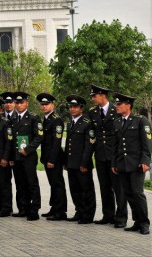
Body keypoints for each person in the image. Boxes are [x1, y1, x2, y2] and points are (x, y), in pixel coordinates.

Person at [111, 93, 150, 235]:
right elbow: (116, 145)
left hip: (137, 164)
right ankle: (137, 221)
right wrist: (114, 163)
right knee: (128, 194)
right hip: (122, 164)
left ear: (128, 105)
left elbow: (147, 143)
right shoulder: (117, 122)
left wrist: (146, 161)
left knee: (138, 193)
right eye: (116, 104)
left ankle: (145, 223)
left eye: (119, 104)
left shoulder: (141, 120)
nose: (116, 106)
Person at [88, 84, 127, 227]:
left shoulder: (115, 110)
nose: (92, 98)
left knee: (118, 188)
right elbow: (93, 135)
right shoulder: (93, 112)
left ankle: (121, 217)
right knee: (104, 187)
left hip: (114, 156)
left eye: (94, 96)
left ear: (103, 96)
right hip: (100, 155)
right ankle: (108, 215)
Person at [64, 95, 97, 224]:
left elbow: (89, 145)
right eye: (70, 107)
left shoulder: (87, 123)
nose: (72, 109)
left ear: (81, 108)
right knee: (75, 189)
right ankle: (79, 211)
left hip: (82, 164)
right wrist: (66, 161)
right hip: (71, 163)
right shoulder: (70, 122)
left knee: (86, 190)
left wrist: (84, 163)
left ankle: (88, 215)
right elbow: (68, 143)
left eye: (75, 107)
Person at [10, 92, 43, 221]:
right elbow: (11, 140)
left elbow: (39, 136)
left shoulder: (34, 118)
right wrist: (11, 157)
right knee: (20, 184)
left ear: (27, 103)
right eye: (17, 103)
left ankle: (34, 210)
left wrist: (28, 149)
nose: (19, 105)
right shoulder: (12, 119)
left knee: (32, 183)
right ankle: (23, 208)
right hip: (17, 158)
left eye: (21, 102)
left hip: (28, 157)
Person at [37, 93, 68, 221]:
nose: (44, 107)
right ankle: (54, 207)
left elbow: (57, 141)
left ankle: (60, 211)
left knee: (57, 184)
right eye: (42, 105)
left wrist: (51, 159)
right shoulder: (46, 119)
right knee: (53, 184)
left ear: (52, 105)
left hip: (54, 158)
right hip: (48, 157)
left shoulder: (56, 120)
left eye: (46, 104)